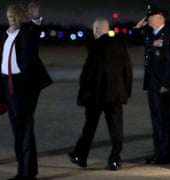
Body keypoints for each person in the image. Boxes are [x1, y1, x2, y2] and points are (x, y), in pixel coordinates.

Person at [0, 2, 53, 180]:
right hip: (7, 84)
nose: (11, 20)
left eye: (13, 17)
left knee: (25, 128)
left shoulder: (26, 33)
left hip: (24, 86)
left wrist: (35, 18)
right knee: (17, 129)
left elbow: (34, 32)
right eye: (8, 17)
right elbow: (2, 63)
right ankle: (22, 171)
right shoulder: (6, 35)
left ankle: (28, 173)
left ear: (20, 17)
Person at [68, 17, 133, 170]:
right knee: (116, 129)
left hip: (96, 95)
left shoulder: (94, 46)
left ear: (96, 30)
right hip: (116, 95)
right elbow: (127, 70)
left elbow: (89, 73)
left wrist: (83, 94)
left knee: (89, 127)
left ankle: (80, 156)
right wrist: (126, 91)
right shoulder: (120, 45)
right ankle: (115, 160)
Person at [133, 5, 170, 164]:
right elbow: (133, 40)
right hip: (152, 84)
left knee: (165, 119)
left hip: (164, 84)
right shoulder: (150, 33)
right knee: (156, 119)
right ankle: (159, 152)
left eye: (152, 16)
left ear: (161, 17)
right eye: (148, 16)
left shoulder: (169, 34)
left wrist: (166, 83)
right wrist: (137, 27)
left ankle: (165, 154)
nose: (148, 18)